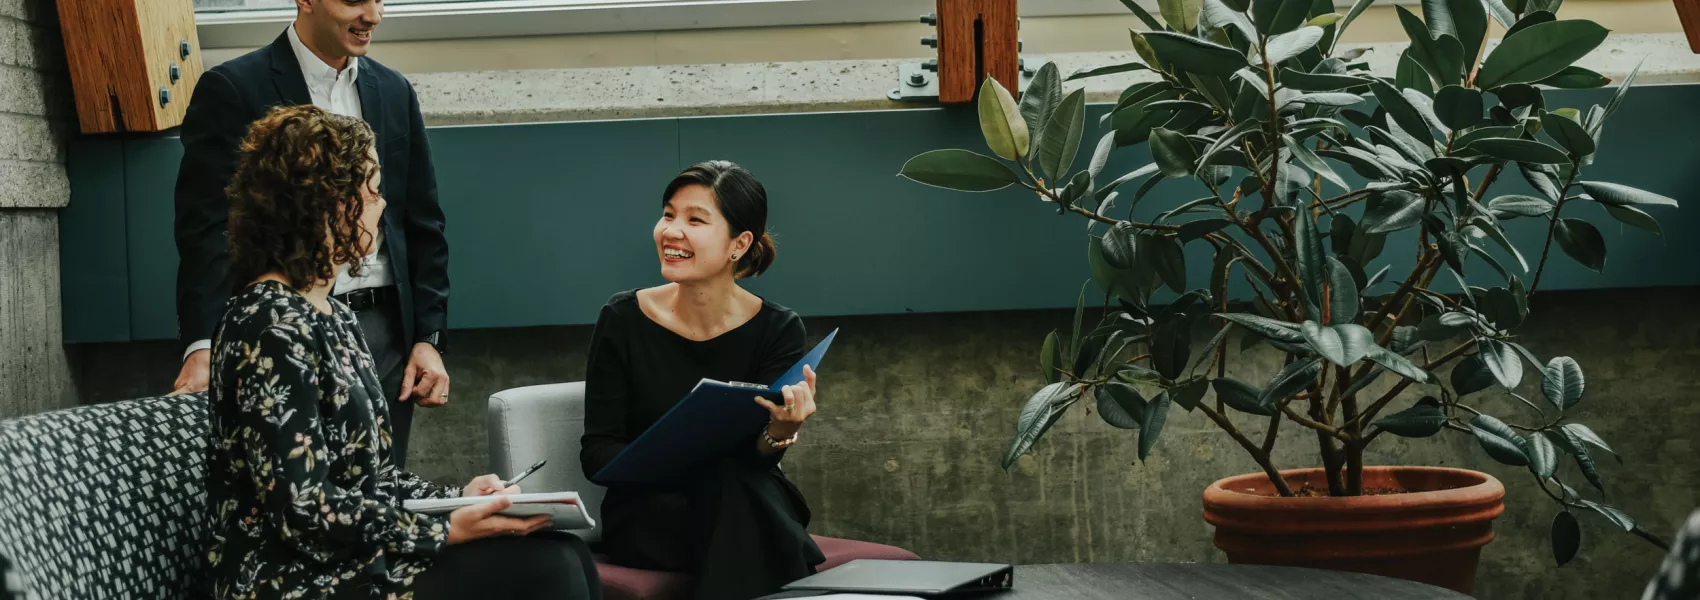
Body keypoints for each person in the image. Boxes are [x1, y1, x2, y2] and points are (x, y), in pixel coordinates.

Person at [204, 105, 599, 600]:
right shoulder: (267, 325)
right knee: (549, 570)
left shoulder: (335, 314)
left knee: (565, 552)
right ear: (326, 203)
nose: (381, 205)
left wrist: (456, 500)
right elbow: (300, 509)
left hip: (349, 553)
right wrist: (446, 529)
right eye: (370, 189)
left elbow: (373, 479)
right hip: (287, 577)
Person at [174, 0, 450, 469]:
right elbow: (206, 228)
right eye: (354, 1)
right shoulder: (233, 87)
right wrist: (204, 344)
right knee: (292, 480)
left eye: (379, 0)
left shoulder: (394, 89)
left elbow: (422, 219)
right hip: (283, 332)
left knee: (381, 483)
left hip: (384, 332)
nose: (373, 16)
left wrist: (429, 337)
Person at [581, 160, 826, 600]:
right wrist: (683, 457)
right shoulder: (623, 319)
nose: (672, 231)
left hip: (741, 498)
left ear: (739, 244)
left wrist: (781, 432)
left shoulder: (778, 328)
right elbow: (597, 454)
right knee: (740, 498)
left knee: (733, 486)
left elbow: (758, 459)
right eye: (669, 214)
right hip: (650, 512)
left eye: (695, 220)